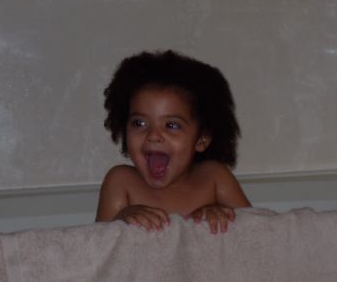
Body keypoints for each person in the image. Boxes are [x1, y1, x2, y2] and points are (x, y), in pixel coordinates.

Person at [96, 50, 251, 234]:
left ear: (202, 139)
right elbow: (99, 250)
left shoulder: (214, 178)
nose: (153, 135)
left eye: (171, 125)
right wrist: (121, 220)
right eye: (139, 123)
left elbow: (258, 233)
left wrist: (220, 215)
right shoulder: (121, 182)